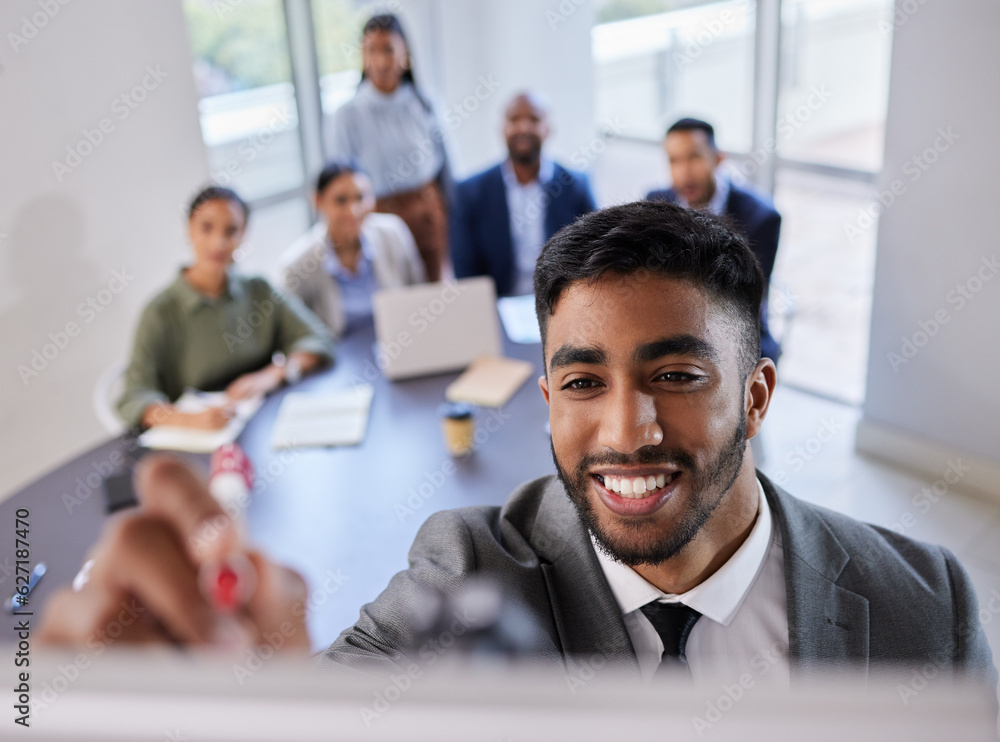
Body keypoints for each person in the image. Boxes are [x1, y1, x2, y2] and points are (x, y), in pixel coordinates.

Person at [46, 201, 996, 698]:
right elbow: (323, 708)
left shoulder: (929, 604)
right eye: (584, 383)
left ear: (756, 395)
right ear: (546, 401)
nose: (627, 432)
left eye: (676, 375)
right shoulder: (465, 569)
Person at [115, 186, 335, 431]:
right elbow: (134, 397)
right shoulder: (160, 312)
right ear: (189, 230)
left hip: (262, 426)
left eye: (231, 231)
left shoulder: (259, 290)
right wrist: (188, 420)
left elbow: (318, 338)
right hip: (199, 440)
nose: (218, 243)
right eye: (206, 228)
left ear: (243, 235)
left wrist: (271, 375)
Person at [326, 13, 451, 282]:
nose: (381, 60)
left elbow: (447, 166)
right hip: (377, 217)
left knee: (434, 297)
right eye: (372, 50)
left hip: (426, 213)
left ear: (405, 54)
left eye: (389, 49)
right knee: (392, 299)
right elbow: (341, 182)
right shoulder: (347, 114)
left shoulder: (425, 102)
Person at [648, 118, 783, 361]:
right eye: (674, 160)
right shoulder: (655, 201)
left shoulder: (760, 217)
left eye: (694, 157)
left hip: (737, 328)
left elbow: (744, 300)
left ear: (718, 158)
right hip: (669, 321)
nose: (684, 172)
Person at [451, 92, 598, 297]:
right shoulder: (470, 192)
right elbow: (465, 270)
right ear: (502, 129)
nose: (523, 127)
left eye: (534, 119)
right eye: (514, 119)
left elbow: (593, 255)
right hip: (498, 304)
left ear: (547, 129)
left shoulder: (576, 186)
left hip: (561, 303)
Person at [281, 161, 425, 338]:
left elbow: (420, 295)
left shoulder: (392, 233)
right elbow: (299, 335)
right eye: (341, 200)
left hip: (400, 340)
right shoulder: (297, 265)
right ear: (318, 201)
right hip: (338, 355)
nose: (353, 210)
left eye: (360, 197)